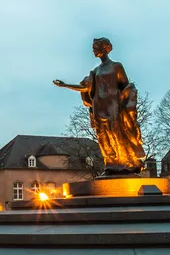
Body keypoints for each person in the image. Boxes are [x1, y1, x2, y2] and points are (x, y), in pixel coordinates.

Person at [53, 37, 145, 174]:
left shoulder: (116, 66)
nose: (93, 50)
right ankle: (111, 165)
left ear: (105, 48)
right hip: (99, 107)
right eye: (93, 47)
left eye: (95, 47)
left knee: (117, 135)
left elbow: (126, 87)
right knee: (103, 138)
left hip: (113, 107)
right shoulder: (95, 72)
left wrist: (127, 106)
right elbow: (84, 88)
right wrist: (65, 85)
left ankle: (126, 164)